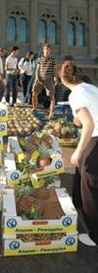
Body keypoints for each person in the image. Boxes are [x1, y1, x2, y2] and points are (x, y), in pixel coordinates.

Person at [60, 60, 98, 247]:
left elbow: (89, 124)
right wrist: (77, 119)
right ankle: (77, 203)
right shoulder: (90, 88)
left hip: (95, 139)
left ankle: (95, 236)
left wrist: (78, 151)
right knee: (84, 178)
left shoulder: (75, 95)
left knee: (90, 188)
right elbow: (82, 118)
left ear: (62, 79)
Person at [32, 43, 57, 119]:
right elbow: (37, 69)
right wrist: (36, 78)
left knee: (51, 96)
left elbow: (55, 69)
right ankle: (34, 108)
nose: (47, 51)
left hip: (49, 79)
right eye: (46, 49)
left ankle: (51, 113)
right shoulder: (39, 59)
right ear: (43, 50)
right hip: (40, 78)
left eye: (48, 49)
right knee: (34, 94)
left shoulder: (53, 59)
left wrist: (55, 77)